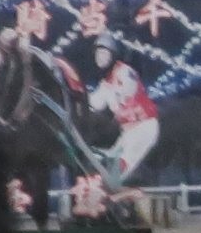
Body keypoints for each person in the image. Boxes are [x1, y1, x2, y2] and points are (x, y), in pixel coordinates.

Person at [63, 33, 160, 190]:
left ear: (113, 55)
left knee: (119, 168)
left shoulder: (124, 71)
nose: (99, 58)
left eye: (104, 54)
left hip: (144, 127)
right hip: (128, 132)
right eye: (97, 54)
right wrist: (75, 98)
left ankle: (115, 193)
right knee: (107, 163)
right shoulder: (105, 83)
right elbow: (93, 104)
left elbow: (128, 90)